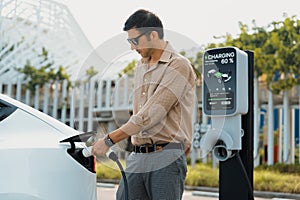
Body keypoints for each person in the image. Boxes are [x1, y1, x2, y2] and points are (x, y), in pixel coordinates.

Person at [92, 9, 196, 200]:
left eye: (135, 41)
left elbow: (151, 113)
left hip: (166, 155)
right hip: (137, 155)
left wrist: (109, 140)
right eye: (129, 42)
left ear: (153, 35)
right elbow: (138, 114)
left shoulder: (178, 65)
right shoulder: (141, 66)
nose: (132, 48)